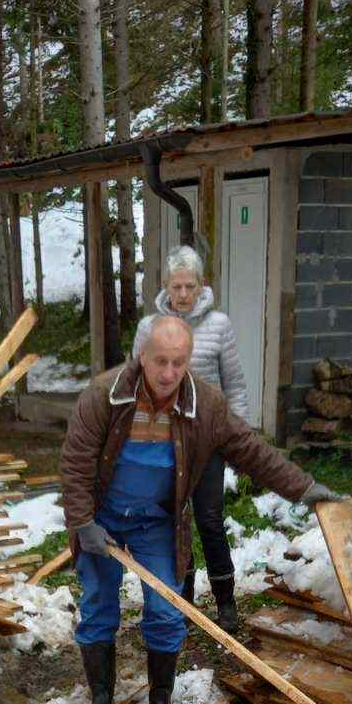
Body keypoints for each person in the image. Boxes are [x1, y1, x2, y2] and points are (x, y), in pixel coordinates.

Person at [61, 313, 338, 704]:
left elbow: (251, 450)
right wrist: (83, 523)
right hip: (103, 518)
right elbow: (76, 463)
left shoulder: (205, 405)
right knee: (99, 602)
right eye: (160, 361)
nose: (168, 373)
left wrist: (303, 488)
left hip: (158, 521)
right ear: (142, 356)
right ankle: (101, 702)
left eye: (178, 362)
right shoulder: (104, 396)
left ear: (188, 361)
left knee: (166, 610)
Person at [133, 246, 246, 632]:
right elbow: (135, 384)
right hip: (164, 444)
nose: (183, 294)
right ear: (165, 286)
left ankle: (226, 601)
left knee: (210, 519)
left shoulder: (219, 326)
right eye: (176, 286)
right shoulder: (149, 329)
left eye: (190, 286)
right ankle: (183, 601)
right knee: (173, 522)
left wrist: (238, 439)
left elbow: (235, 387)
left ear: (202, 286)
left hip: (208, 442)